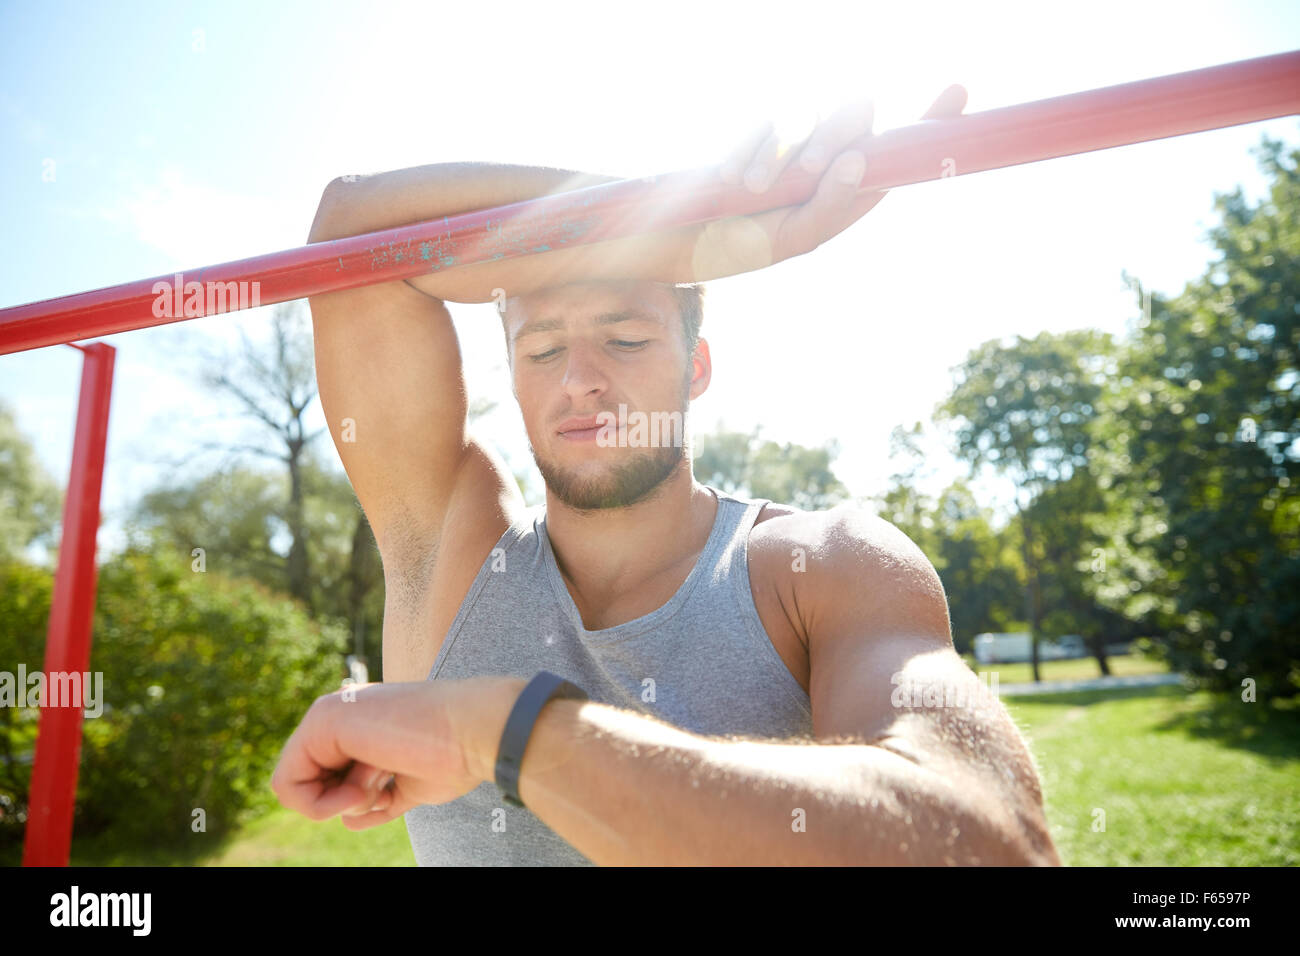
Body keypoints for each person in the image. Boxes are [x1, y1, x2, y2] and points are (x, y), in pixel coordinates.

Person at [271, 85, 1062, 866]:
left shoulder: (821, 566)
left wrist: (504, 733)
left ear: (696, 367)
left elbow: (990, 847)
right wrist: (699, 239)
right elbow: (352, 228)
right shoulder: (454, 553)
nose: (579, 378)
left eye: (625, 339)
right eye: (542, 350)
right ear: (511, 377)